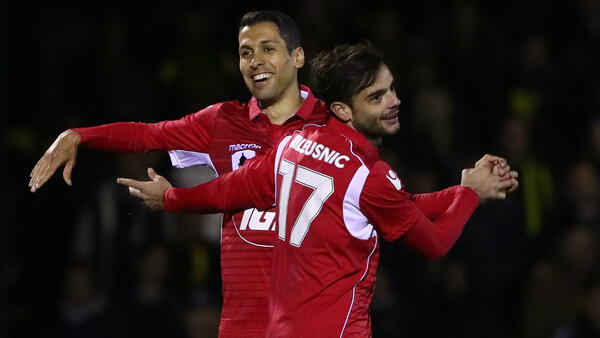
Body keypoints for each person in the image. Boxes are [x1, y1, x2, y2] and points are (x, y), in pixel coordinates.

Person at [117, 42, 519, 337]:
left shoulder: (292, 144)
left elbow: (227, 192)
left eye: (392, 89)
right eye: (377, 97)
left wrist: (170, 197)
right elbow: (434, 243)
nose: (394, 102)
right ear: (343, 110)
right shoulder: (368, 175)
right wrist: (471, 196)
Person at [28, 10, 329, 337]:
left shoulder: (334, 127)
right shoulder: (223, 122)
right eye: (246, 52)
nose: (255, 60)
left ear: (297, 56)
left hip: (313, 318)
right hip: (244, 323)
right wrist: (81, 135)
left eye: (267, 49)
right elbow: (148, 135)